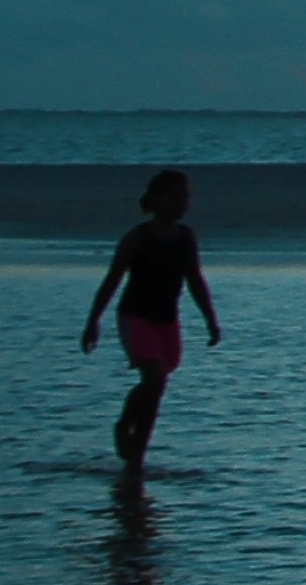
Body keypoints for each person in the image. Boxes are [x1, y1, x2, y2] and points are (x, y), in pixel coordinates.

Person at [80, 168, 222, 475]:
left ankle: (137, 457)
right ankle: (124, 426)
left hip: (166, 322)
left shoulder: (186, 237)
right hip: (136, 317)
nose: (182, 204)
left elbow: (195, 280)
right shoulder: (137, 238)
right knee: (154, 377)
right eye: (175, 198)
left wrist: (211, 320)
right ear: (156, 200)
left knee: (155, 388)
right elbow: (112, 281)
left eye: (186, 198)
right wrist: (93, 322)